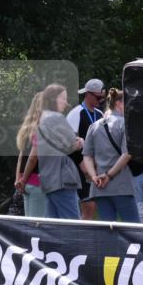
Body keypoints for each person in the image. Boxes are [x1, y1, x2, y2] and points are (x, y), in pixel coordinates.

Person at [80, 88, 139, 222]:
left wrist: (94, 176)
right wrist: (109, 175)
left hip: (99, 187)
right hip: (121, 185)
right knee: (134, 228)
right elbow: (127, 154)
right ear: (118, 104)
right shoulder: (125, 124)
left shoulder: (94, 126)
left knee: (107, 230)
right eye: (128, 103)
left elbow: (87, 155)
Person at [36, 84, 85, 220]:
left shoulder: (43, 117)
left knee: (54, 226)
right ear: (53, 99)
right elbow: (71, 144)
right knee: (73, 224)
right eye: (63, 98)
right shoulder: (55, 117)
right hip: (62, 179)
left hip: (49, 179)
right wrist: (81, 141)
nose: (66, 102)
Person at [66, 78, 105, 220]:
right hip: (79, 168)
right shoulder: (75, 114)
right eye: (98, 97)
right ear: (88, 94)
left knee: (94, 208)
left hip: (96, 167)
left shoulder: (100, 114)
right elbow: (67, 144)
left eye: (102, 97)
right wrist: (81, 163)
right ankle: (78, 239)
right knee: (88, 209)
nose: (100, 101)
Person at [14, 92, 48, 218]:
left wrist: (18, 179)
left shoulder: (26, 128)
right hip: (37, 182)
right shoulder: (42, 128)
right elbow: (33, 158)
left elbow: (21, 156)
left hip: (25, 183)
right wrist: (22, 180)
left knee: (30, 222)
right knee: (37, 225)